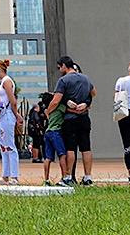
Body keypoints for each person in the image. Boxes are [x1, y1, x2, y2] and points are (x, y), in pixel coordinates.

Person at [46, 55, 96, 186]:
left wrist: (48, 111)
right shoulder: (86, 78)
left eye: (59, 67)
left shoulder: (63, 80)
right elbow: (93, 93)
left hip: (70, 119)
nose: (59, 70)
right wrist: (85, 103)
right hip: (84, 117)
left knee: (70, 148)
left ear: (64, 65)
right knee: (86, 148)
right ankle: (88, 177)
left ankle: (68, 176)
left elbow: (56, 100)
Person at [0, 59, 22, 185]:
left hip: (8, 115)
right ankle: (6, 175)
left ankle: (14, 175)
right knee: (3, 146)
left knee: (10, 146)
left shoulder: (7, 81)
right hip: (1, 116)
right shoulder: (2, 82)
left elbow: (12, 100)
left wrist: (17, 115)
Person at [37, 91, 68, 186]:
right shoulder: (59, 107)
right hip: (56, 132)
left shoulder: (47, 110)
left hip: (48, 132)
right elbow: (68, 110)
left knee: (48, 157)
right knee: (62, 155)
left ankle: (46, 180)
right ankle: (64, 178)